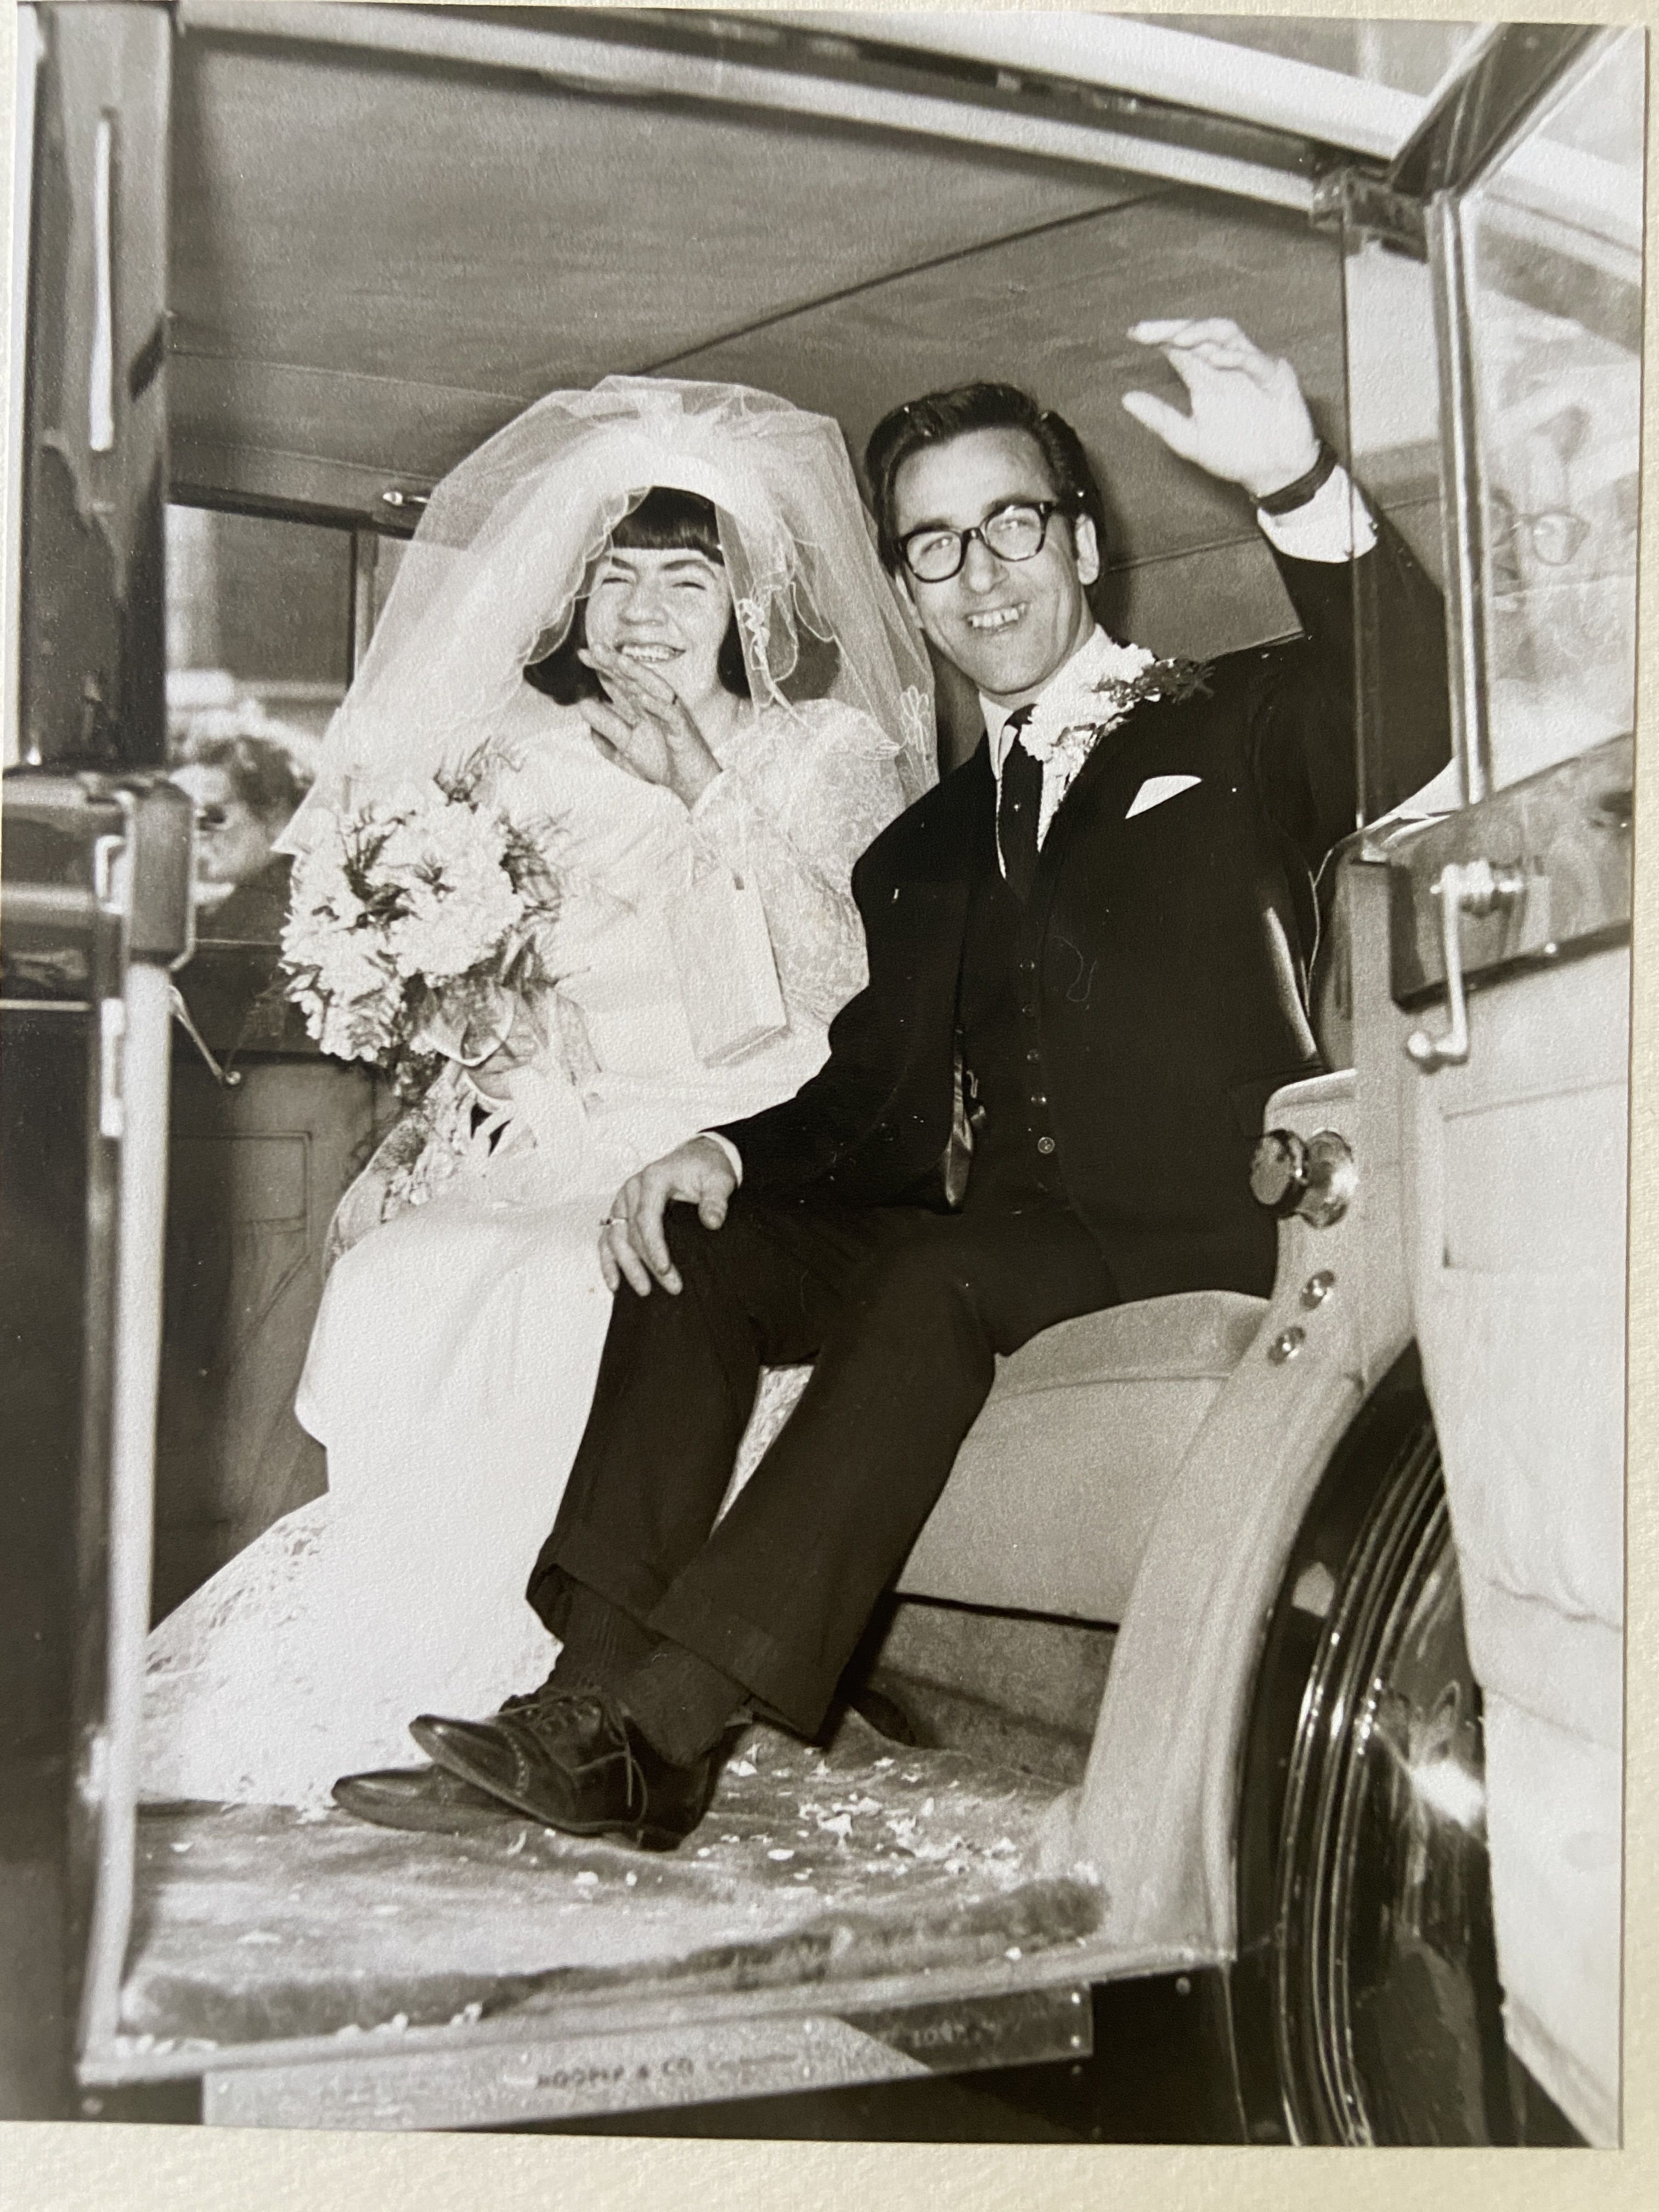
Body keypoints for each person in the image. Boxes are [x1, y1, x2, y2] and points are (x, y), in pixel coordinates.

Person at [342, 319, 1453, 1851]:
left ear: (1081, 541)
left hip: (1198, 1222)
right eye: (934, 548)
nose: (980, 575)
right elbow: (874, 1102)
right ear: (907, 588)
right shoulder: (919, 852)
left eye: (1012, 527)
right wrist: (726, 1153)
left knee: (940, 1273)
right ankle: (583, 1702)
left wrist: (1301, 483)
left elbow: (1421, 702)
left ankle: (671, 1730)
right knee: (701, 1245)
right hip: (1013, 1237)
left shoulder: (1237, 721)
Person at [141, 378, 933, 1806]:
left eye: (685, 581)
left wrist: (709, 794)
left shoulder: (825, 754)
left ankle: (565, 1684)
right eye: (616, 578)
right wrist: (458, 1070)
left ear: (746, 600)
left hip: (748, 1132)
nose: (644, 614)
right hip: (567, 1128)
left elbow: (858, 987)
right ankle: (413, 1668)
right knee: (405, 1267)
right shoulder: (524, 763)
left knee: (571, 1283)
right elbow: (510, 996)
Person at [169, 728, 309, 941]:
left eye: (212, 816)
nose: (195, 834)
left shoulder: (274, 912)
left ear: (276, 814)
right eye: (185, 818)